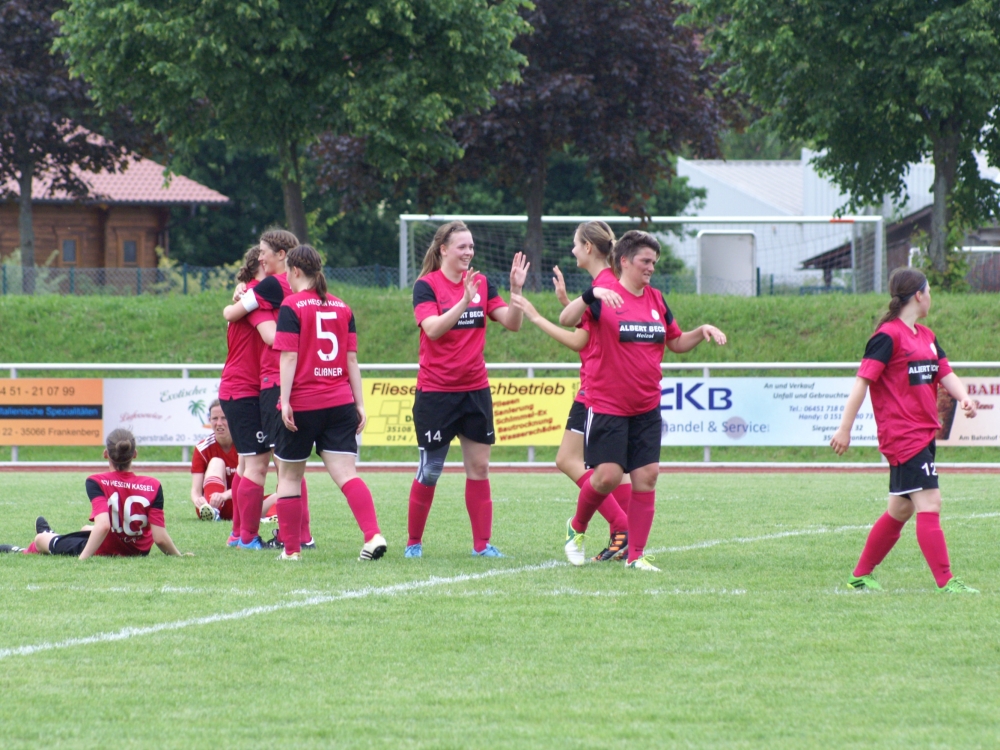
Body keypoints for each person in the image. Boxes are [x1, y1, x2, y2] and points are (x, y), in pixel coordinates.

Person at [557, 230, 726, 570]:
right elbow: (566, 320)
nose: (650, 268)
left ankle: (636, 556)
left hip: (646, 406)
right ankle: (577, 527)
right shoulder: (604, 295)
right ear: (624, 260)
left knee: (647, 476)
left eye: (654, 262)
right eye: (645, 261)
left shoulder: (657, 300)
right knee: (605, 477)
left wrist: (701, 330)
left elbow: (676, 342)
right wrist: (590, 294)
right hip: (607, 405)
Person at [831, 267, 978, 594]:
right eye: (929, 290)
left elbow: (945, 372)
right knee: (931, 502)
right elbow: (862, 383)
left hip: (924, 434)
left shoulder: (925, 336)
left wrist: (964, 396)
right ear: (918, 295)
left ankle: (861, 574)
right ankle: (947, 582)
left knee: (900, 508)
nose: (931, 297)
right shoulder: (887, 336)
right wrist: (845, 429)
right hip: (902, 435)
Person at [406, 220, 529, 558]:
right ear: (443, 249)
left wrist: (516, 292)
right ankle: (413, 543)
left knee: (480, 468)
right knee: (430, 471)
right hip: (435, 392)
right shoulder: (425, 286)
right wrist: (463, 301)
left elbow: (512, 323)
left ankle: (482, 545)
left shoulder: (481, 283)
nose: (469, 252)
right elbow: (432, 330)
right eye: (462, 246)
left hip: (474, 390)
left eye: (471, 246)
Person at [510, 221, 631, 561]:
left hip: (596, 389)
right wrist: (567, 302)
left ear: (589, 248)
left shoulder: (603, 286)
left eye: (576, 244)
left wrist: (535, 316)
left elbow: (580, 339)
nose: (573, 250)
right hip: (609, 388)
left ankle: (619, 527)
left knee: (568, 460)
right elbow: (593, 334)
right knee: (614, 470)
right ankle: (622, 537)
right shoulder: (606, 285)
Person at [272, 245, 386, 562]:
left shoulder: (292, 305)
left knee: (290, 477)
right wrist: (360, 404)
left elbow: (290, 355)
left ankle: (292, 551)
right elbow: (351, 360)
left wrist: (284, 400)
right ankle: (373, 535)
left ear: (295, 271)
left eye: (287, 273)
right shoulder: (342, 307)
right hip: (340, 403)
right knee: (347, 474)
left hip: (305, 403)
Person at [224, 229, 313, 551]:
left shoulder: (279, 292)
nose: (261, 257)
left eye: (265, 252)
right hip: (245, 388)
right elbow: (271, 337)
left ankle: (253, 535)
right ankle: (244, 536)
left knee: (274, 463)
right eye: (259, 255)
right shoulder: (263, 293)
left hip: (270, 386)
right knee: (259, 463)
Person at [11, 429, 189, 559]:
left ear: (106, 454)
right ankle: (55, 535)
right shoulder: (154, 485)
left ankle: (26, 548)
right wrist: (179, 556)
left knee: (41, 539)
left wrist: (83, 559)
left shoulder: (97, 481)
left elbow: (103, 526)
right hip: (137, 551)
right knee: (85, 529)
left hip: (106, 548)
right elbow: (160, 538)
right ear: (134, 454)